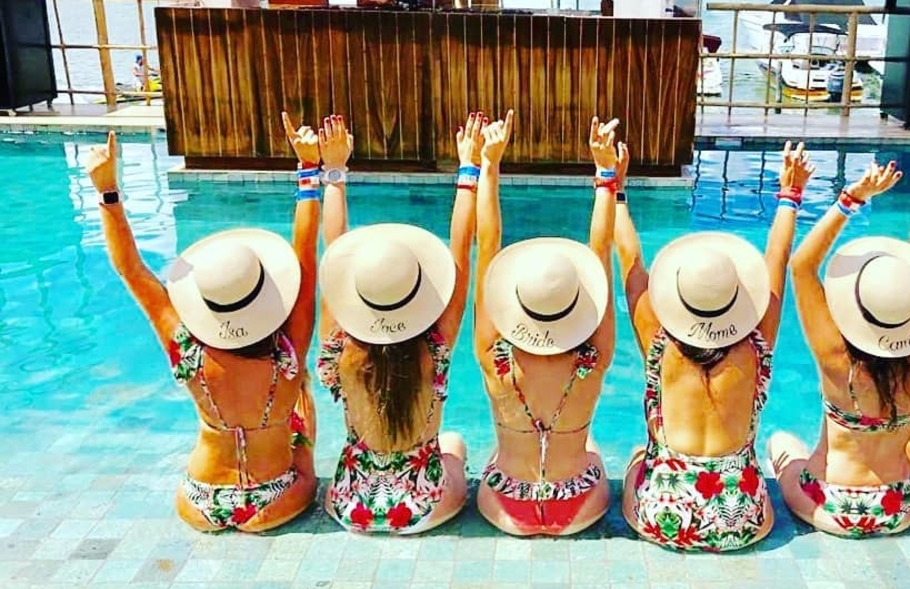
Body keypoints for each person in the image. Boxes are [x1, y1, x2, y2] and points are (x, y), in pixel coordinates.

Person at [82, 117, 320, 532]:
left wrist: (107, 191)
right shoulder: (289, 351)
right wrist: (309, 171)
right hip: (276, 496)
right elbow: (305, 259)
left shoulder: (184, 344)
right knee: (302, 410)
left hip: (198, 497)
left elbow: (132, 271)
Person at [768, 99, 910, 538]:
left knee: (780, 441)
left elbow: (801, 267)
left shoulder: (837, 359)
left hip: (827, 504)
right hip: (897, 507)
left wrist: (850, 200)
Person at [618, 141, 807, 552]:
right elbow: (777, 259)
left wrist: (615, 188)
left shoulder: (658, 345)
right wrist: (789, 195)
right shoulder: (756, 346)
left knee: (636, 455)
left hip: (665, 519)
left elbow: (631, 264)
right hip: (743, 518)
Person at [314, 114, 483, 533]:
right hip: (422, 507)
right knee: (455, 443)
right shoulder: (435, 346)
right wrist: (469, 168)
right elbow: (461, 252)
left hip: (350, 503)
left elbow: (333, 248)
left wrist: (333, 173)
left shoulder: (340, 348)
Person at [474, 111, 619, 536]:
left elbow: (488, 247)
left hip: (505, 503)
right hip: (579, 504)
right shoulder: (595, 357)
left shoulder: (491, 354)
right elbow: (602, 250)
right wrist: (606, 174)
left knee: (486, 450)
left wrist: (488, 165)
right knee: (591, 447)